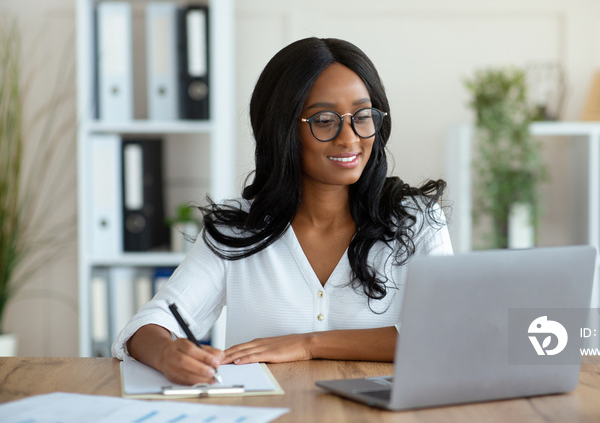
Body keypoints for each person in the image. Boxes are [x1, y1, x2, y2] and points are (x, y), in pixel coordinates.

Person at [112, 37, 453, 385]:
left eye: (362, 117)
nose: (350, 138)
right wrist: (169, 354)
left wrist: (309, 344)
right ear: (283, 130)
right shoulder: (239, 230)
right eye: (324, 120)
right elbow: (146, 326)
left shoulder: (417, 221)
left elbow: (448, 337)